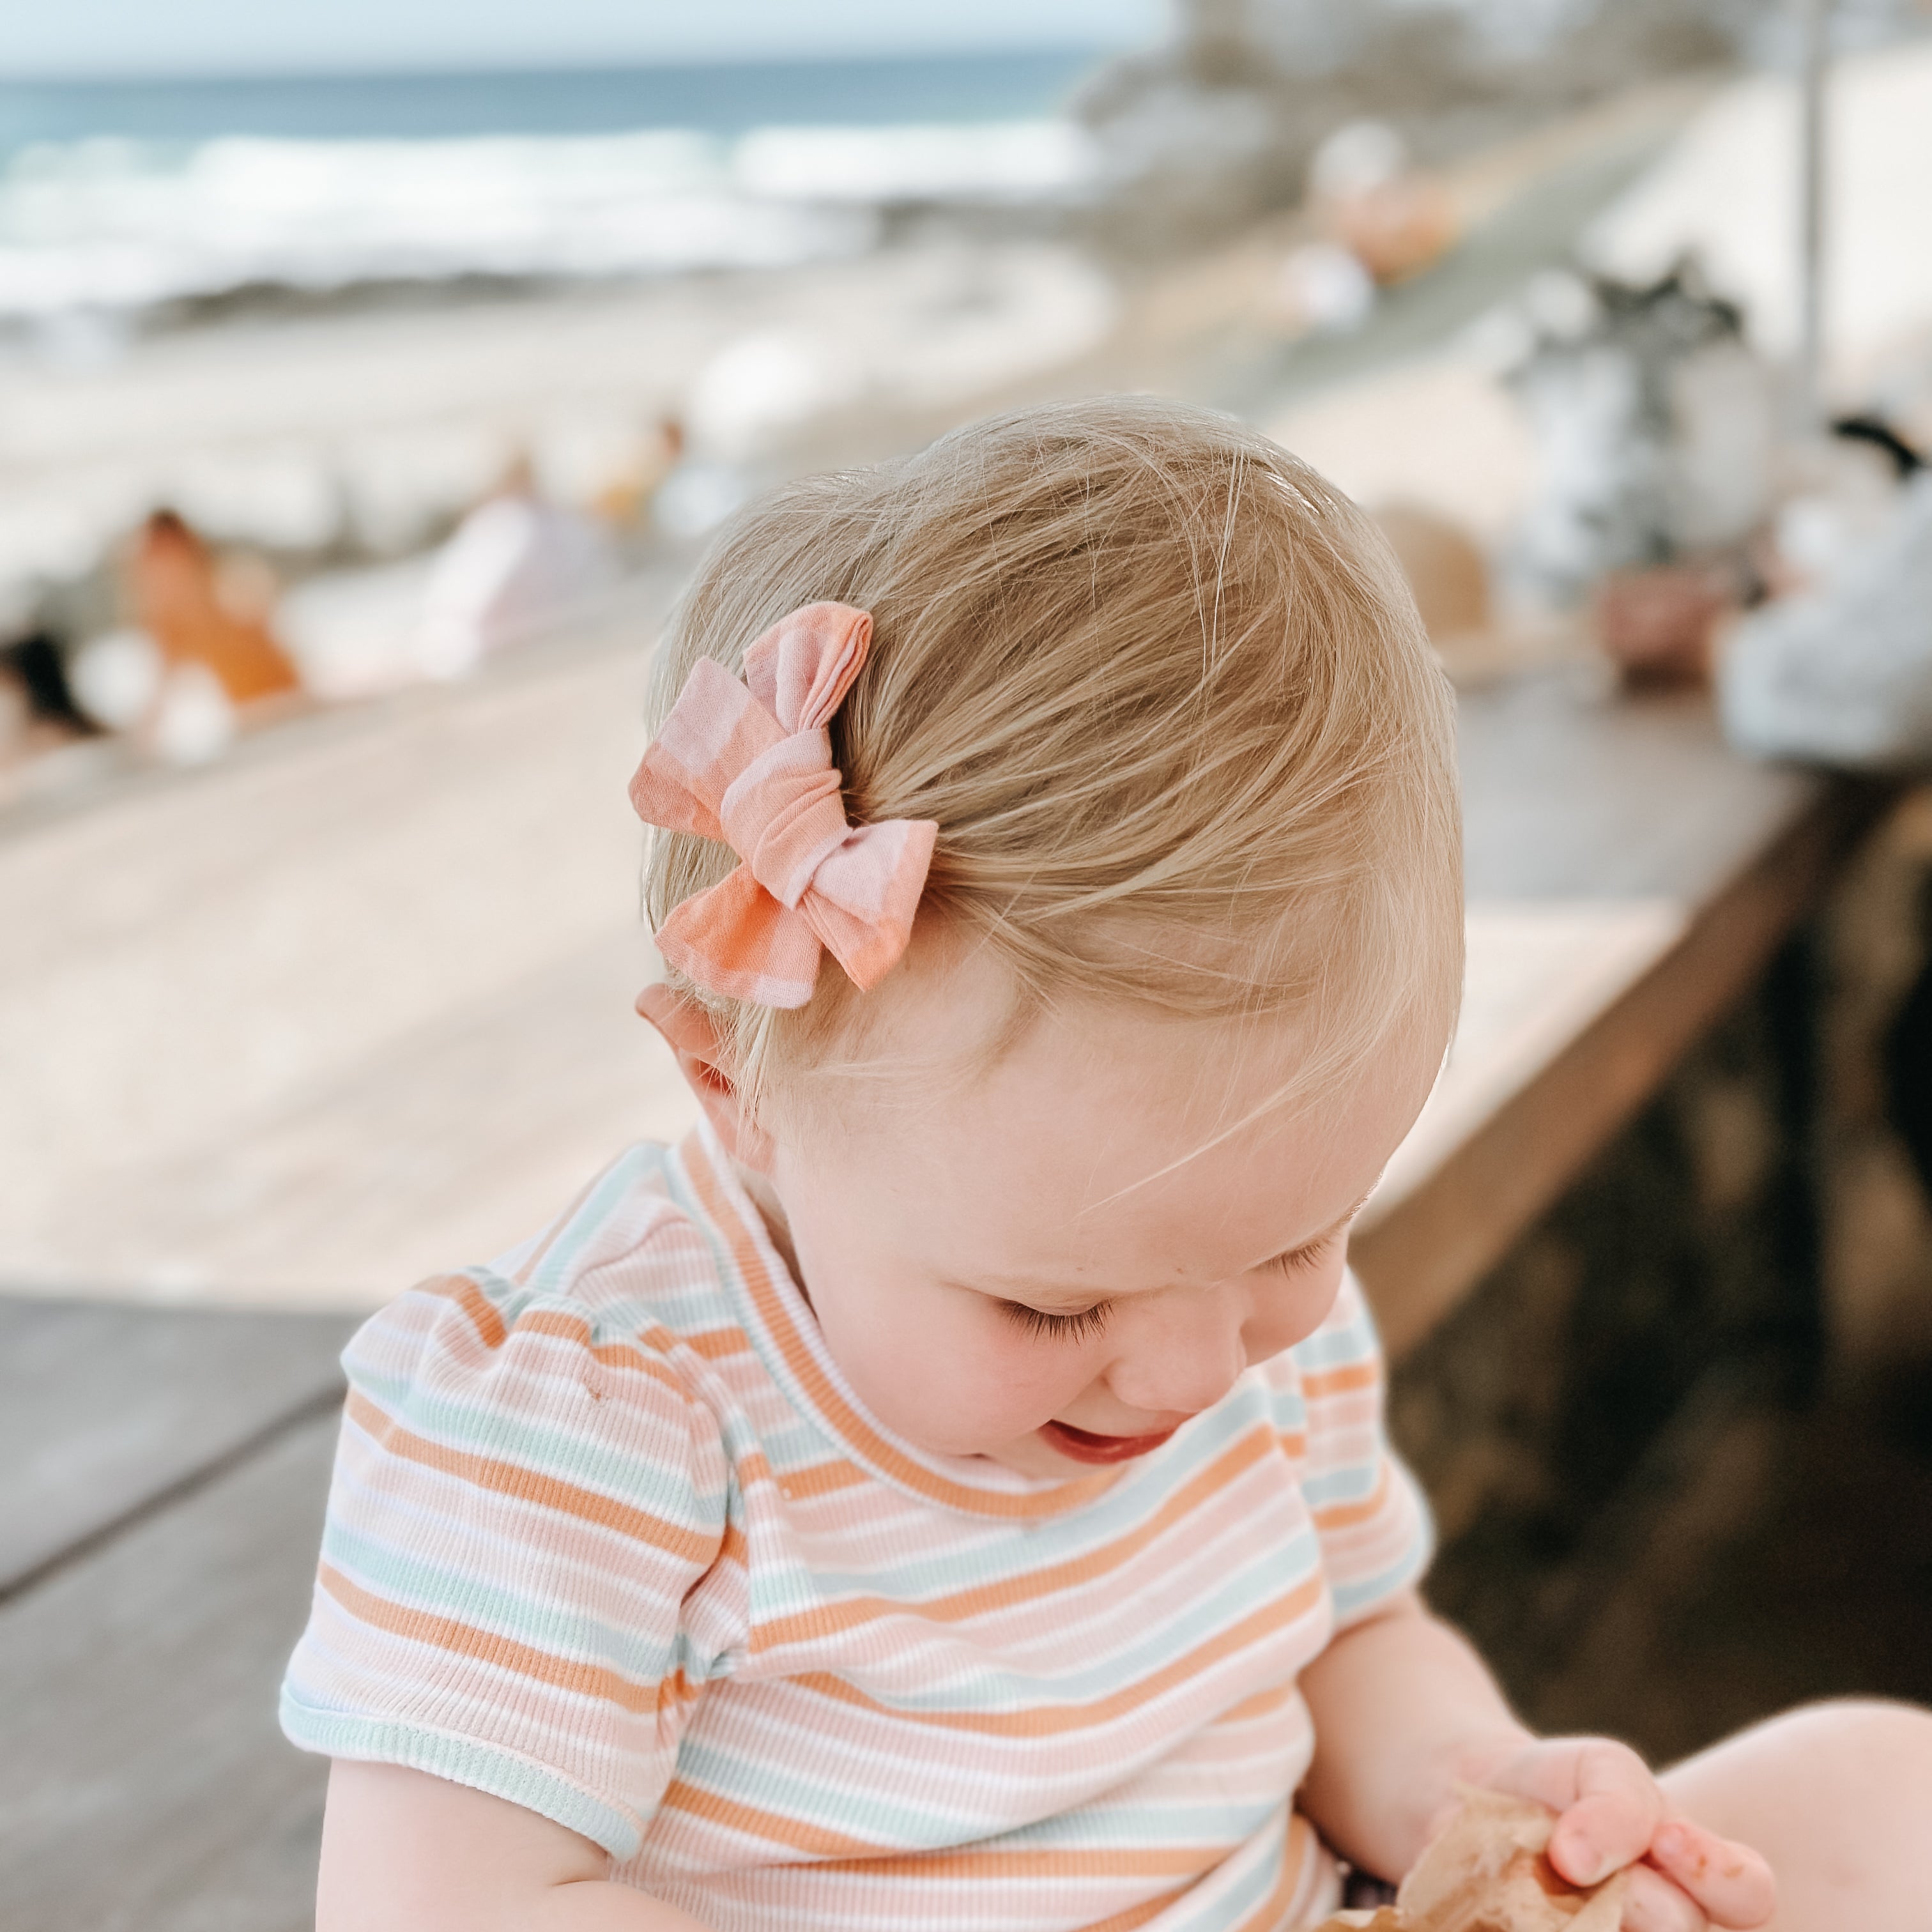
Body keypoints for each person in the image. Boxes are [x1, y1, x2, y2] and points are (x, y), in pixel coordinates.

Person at [282, 397, 1932, 1932]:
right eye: (1049, 1306)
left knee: (1883, 1792)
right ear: (737, 1090)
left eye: (1301, 1244)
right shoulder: (594, 1423)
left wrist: (1467, 1788)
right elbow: (439, 1906)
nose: (1194, 1365)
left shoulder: (1209, 1276)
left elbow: (1345, 1637)